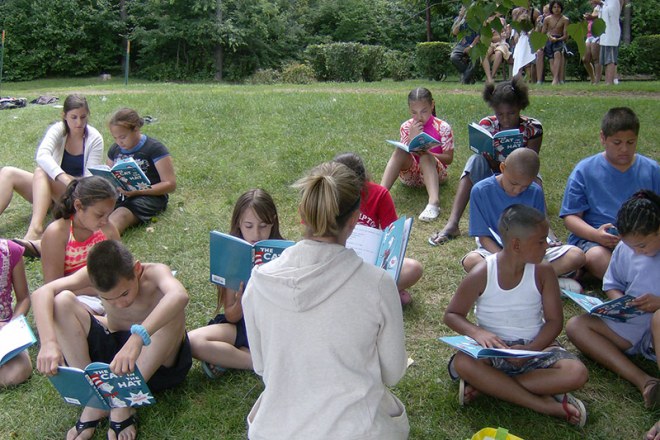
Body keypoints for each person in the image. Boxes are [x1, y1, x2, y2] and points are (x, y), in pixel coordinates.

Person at [243, 161, 409, 439]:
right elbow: (393, 373)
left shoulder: (258, 281)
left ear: (301, 214)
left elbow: (261, 367)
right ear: (355, 219)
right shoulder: (377, 283)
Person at [444, 204, 589, 426]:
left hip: (536, 346)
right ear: (516, 244)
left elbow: (554, 322)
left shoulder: (544, 271)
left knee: (576, 373)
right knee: (464, 362)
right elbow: (452, 314)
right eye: (541, 241)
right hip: (493, 350)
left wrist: (529, 351)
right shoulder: (483, 272)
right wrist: (477, 332)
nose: (548, 245)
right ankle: (543, 405)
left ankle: (490, 387)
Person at [33, 240, 192, 440]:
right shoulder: (91, 276)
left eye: (124, 293)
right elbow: (41, 293)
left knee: (173, 312)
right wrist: (48, 342)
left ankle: (122, 402)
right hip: (114, 360)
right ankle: (95, 396)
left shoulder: (155, 273)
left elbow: (179, 295)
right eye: (108, 299)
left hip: (157, 365)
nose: (120, 303)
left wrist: (138, 338)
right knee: (61, 302)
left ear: (136, 269)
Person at [566, 190, 660, 410]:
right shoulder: (626, 249)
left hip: (656, 326)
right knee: (576, 326)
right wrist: (619, 304)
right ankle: (645, 381)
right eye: (632, 247)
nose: (637, 252)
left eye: (643, 246)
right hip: (632, 324)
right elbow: (612, 283)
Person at [429, 76, 543, 246]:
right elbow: (481, 152)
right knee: (475, 161)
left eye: (511, 113)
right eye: (500, 114)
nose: (505, 119)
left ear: (520, 107)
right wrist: (490, 159)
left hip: (520, 175)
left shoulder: (532, 128)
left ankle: (543, 224)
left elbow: (531, 160)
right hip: (492, 172)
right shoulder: (488, 124)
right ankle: (453, 223)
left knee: (534, 173)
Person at [461, 149, 585, 292]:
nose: (517, 190)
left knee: (577, 256)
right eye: (513, 183)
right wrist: (506, 259)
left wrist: (542, 246)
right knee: (471, 261)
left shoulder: (535, 191)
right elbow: (483, 238)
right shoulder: (480, 191)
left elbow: (539, 229)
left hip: (529, 252)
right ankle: (542, 282)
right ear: (502, 168)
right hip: (496, 252)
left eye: (524, 186)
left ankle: (516, 284)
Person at [189, 189, 282, 379]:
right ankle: (256, 362)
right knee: (193, 341)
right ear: (239, 223)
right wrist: (240, 301)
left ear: (273, 221)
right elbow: (231, 315)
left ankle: (231, 357)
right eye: (249, 226)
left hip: (274, 328)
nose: (256, 233)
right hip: (242, 325)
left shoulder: (283, 252)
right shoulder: (233, 254)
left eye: (264, 226)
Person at [560, 107, 660, 280]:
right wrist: (596, 235)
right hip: (597, 240)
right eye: (617, 143)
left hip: (643, 239)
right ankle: (629, 281)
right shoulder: (584, 170)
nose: (624, 149)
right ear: (603, 138)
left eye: (630, 142)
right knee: (596, 257)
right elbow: (571, 217)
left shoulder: (651, 169)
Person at [0, 94, 104, 248]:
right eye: (73, 117)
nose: (79, 122)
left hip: (74, 195)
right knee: (9, 172)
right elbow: (42, 155)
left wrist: (69, 182)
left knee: (41, 172)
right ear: (64, 116)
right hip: (51, 189)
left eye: (83, 117)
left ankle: (35, 229)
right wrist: (62, 177)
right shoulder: (58, 130)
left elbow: (89, 180)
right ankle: (40, 216)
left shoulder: (94, 138)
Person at [334, 152, 423, 305]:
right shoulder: (330, 195)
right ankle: (379, 292)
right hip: (336, 262)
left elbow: (393, 235)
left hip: (369, 264)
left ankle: (357, 294)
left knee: (413, 268)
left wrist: (384, 252)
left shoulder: (379, 194)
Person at [40, 176, 120, 316]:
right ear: (78, 206)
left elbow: (120, 265)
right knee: (68, 309)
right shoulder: (57, 233)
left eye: (109, 215)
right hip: (76, 296)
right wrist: (94, 289)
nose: (105, 221)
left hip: (112, 292)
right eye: (99, 215)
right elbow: (53, 286)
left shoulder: (108, 228)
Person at [380, 87, 454, 222]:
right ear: (409, 109)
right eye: (414, 112)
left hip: (436, 175)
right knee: (400, 150)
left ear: (432, 105)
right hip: (411, 176)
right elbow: (405, 153)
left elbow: (449, 159)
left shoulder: (443, 127)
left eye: (424, 111)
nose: (419, 117)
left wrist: (429, 153)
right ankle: (380, 194)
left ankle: (433, 203)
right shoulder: (406, 126)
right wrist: (411, 139)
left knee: (425, 156)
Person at [106, 108, 177, 234]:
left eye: (123, 137)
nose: (119, 142)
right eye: (115, 138)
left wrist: (138, 191)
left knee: (120, 215)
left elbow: (170, 184)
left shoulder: (154, 148)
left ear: (136, 129)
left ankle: (99, 242)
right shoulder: (115, 150)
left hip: (149, 197)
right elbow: (109, 174)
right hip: (120, 195)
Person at [0, 238, 32, 387]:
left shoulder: (9, 250)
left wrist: (11, 326)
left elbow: (24, 298)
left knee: (18, 371)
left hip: (4, 333)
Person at [541, 1, 569, 85]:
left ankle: (555, 79)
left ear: (561, 8)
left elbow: (565, 35)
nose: (556, 9)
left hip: (559, 40)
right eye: (554, 7)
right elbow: (543, 32)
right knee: (551, 59)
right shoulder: (547, 19)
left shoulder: (565, 19)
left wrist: (557, 39)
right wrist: (549, 37)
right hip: (549, 39)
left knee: (557, 53)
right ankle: (556, 78)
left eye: (558, 7)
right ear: (551, 8)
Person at [450, 5, 480, 84]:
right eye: (461, 9)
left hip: (473, 45)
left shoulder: (476, 21)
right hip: (461, 45)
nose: (462, 10)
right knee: (453, 57)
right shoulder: (458, 20)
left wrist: (470, 46)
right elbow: (455, 32)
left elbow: (478, 36)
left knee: (475, 59)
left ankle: (465, 79)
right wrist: (461, 18)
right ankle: (469, 76)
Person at [597, 0, 624, 85]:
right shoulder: (605, 3)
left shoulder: (614, 2)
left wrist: (601, 3)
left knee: (610, 59)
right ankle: (607, 81)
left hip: (611, 34)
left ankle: (609, 81)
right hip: (604, 35)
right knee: (605, 59)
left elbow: (611, 12)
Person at [481, 14, 511, 83]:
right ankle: (489, 77)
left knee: (499, 52)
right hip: (490, 43)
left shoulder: (502, 21)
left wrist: (506, 33)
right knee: (483, 54)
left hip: (502, 43)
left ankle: (491, 76)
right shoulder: (486, 22)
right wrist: (498, 37)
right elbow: (486, 38)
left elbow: (506, 35)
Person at [583, 0, 602, 84]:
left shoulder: (602, 7)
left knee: (596, 58)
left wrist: (592, 17)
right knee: (585, 59)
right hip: (589, 35)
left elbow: (600, 17)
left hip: (597, 35)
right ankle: (592, 77)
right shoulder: (595, 8)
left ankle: (597, 80)